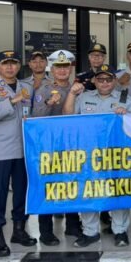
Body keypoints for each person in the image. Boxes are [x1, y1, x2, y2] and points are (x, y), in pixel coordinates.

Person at [64, 64, 131, 247]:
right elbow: (67, 116)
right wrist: (71, 94)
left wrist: (127, 115)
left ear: (115, 81)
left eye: (108, 79)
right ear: (94, 81)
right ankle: (90, 232)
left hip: (116, 154)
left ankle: (120, 231)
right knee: (89, 190)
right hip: (89, 153)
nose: (104, 83)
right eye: (100, 79)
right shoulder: (84, 97)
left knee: (118, 191)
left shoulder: (124, 98)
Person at [0, 50, 37, 257]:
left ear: (19, 66)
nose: (10, 67)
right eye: (5, 63)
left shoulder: (27, 87)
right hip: (0, 151)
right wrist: (11, 101)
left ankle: (19, 230)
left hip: (23, 149)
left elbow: (31, 114)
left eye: (13, 63)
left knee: (21, 192)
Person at [37, 49, 80, 246]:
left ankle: (73, 225)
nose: (62, 70)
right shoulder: (44, 89)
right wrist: (48, 103)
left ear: (70, 69)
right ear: (52, 69)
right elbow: (35, 117)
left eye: (66, 67)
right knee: (48, 186)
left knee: (71, 184)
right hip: (49, 145)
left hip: (71, 145)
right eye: (58, 67)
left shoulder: (78, 88)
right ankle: (45, 231)